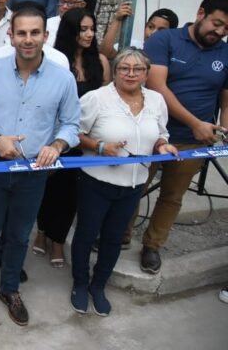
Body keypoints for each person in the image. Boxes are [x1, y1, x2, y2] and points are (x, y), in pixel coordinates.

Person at [0, 6, 80, 327]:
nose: (28, 40)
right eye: (21, 33)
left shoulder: (63, 78)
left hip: (34, 173)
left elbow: (71, 124)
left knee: (19, 234)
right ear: (11, 35)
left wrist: (56, 145)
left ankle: (10, 288)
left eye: (35, 33)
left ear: (46, 35)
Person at [71, 49, 177, 316]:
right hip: (96, 181)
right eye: (124, 68)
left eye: (138, 69)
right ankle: (80, 284)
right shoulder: (96, 98)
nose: (131, 74)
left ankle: (99, 285)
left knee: (114, 238)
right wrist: (99, 146)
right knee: (86, 234)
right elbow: (74, 131)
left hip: (133, 185)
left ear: (146, 73)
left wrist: (163, 146)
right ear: (115, 71)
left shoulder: (156, 100)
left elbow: (161, 134)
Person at [136, 0, 228, 275]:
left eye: (227, 28)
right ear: (200, 13)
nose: (220, 31)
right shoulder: (165, 40)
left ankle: (153, 246)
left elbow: (226, 98)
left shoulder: (225, 52)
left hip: (194, 142)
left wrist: (223, 130)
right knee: (133, 188)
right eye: (216, 23)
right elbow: (158, 87)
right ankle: (119, 236)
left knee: (173, 196)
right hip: (151, 133)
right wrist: (194, 122)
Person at [33, 8, 110, 268]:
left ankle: (58, 240)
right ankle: (42, 232)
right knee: (48, 190)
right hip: (57, 137)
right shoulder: (55, 60)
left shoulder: (100, 62)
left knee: (71, 195)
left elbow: (107, 101)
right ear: (70, 31)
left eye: (92, 29)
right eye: (83, 29)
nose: (89, 34)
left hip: (86, 141)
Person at [99, 5, 179, 60]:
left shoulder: (173, 57)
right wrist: (117, 20)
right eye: (150, 27)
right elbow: (105, 53)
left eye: (161, 30)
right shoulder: (131, 45)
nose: (153, 33)